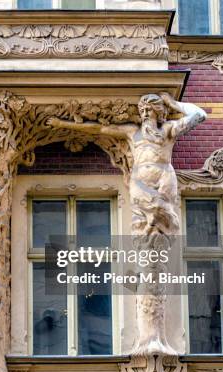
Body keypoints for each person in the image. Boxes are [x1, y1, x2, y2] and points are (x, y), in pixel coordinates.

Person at [48, 92, 206, 355]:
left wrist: (173, 103)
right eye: (143, 111)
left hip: (163, 183)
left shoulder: (167, 131)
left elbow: (199, 115)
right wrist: (65, 124)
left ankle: (155, 333)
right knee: (145, 238)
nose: (145, 115)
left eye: (150, 111)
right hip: (140, 185)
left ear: (159, 113)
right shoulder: (132, 133)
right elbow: (99, 127)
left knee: (157, 241)